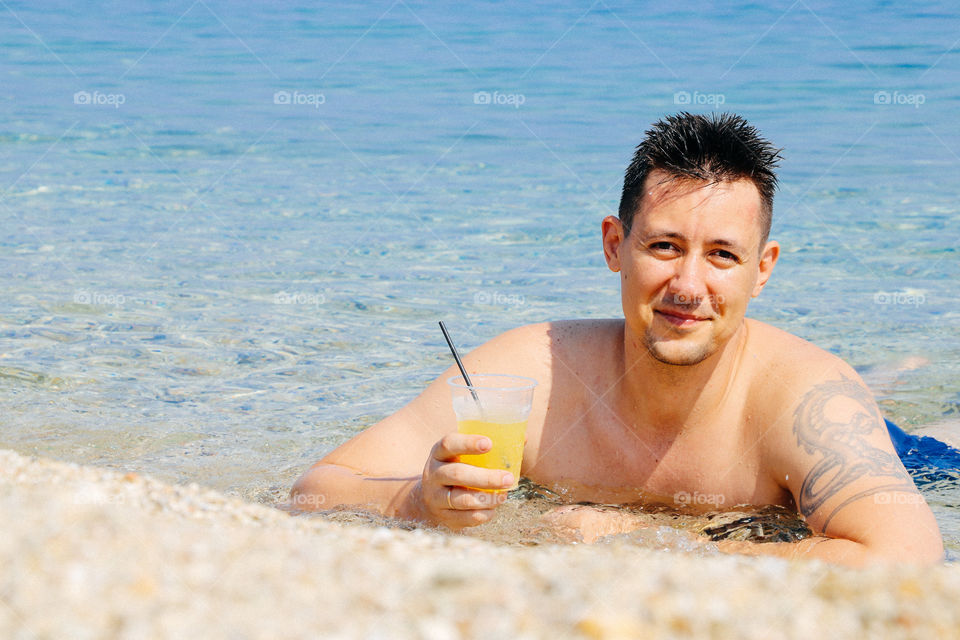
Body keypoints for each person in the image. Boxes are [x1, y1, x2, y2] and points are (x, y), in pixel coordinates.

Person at [291, 112, 944, 566]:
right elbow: (319, 487)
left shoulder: (806, 397)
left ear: (763, 268)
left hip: (867, 449)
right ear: (614, 244)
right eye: (664, 246)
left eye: (722, 255)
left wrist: (652, 544)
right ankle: (889, 374)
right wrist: (417, 500)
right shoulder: (533, 372)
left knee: (936, 445)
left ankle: (892, 387)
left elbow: (903, 554)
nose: (688, 285)